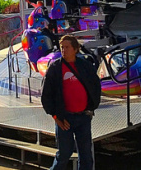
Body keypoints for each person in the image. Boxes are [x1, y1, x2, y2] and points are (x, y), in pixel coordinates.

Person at [41, 35, 102, 170]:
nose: (64, 50)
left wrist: (92, 107)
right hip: (65, 118)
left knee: (86, 155)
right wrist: (56, 117)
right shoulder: (55, 68)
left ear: (75, 49)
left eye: (67, 47)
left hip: (83, 116)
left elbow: (95, 85)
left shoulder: (85, 65)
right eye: (62, 47)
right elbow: (46, 95)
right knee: (63, 154)